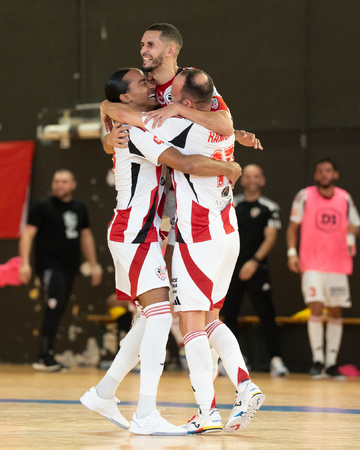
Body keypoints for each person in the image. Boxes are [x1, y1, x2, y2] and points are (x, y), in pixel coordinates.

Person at [81, 68, 242, 436]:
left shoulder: (133, 122)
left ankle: (104, 392)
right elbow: (185, 162)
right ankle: (146, 412)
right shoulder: (135, 130)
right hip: (133, 231)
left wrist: (239, 136)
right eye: (141, 82)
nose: (150, 84)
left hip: (146, 232)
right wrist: (229, 166)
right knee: (158, 315)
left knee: (149, 317)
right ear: (126, 97)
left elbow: (213, 124)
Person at [103, 22, 262, 153]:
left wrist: (179, 109)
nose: (143, 50)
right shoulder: (143, 88)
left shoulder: (191, 79)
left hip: (194, 173)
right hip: (163, 178)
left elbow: (224, 126)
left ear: (170, 50)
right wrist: (107, 129)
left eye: (150, 45)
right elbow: (116, 140)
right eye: (143, 45)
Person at [19, 169, 102, 372]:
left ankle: (47, 355)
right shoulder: (43, 206)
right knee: (53, 307)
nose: (59, 185)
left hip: (69, 267)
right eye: (56, 181)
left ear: (73, 184)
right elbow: (28, 234)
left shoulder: (79, 208)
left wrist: (94, 264)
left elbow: (86, 236)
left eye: (64, 182)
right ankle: (44, 357)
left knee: (60, 307)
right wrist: (24, 263)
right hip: (49, 266)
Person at [287, 157, 360, 379]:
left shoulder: (345, 198)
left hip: (338, 264)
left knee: (336, 310)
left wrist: (352, 230)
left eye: (328, 170)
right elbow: (292, 228)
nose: (324, 174)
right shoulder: (305, 196)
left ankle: (331, 362)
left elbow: (357, 227)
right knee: (316, 307)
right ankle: (318, 360)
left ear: (335, 174)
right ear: (315, 175)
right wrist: (292, 253)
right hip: (312, 264)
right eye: (320, 171)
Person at [221, 164, 289, 377]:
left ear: (262, 180)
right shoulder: (232, 204)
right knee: (229, 313)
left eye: (256, 176)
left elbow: (270, 238)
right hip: (232, 268)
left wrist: (254, 262)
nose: (251, 180)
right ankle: (233, 362)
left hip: (258, 268)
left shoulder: (270, 207)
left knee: (266, 313)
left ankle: (276, 360)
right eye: (248, 176)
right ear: (243, 180)